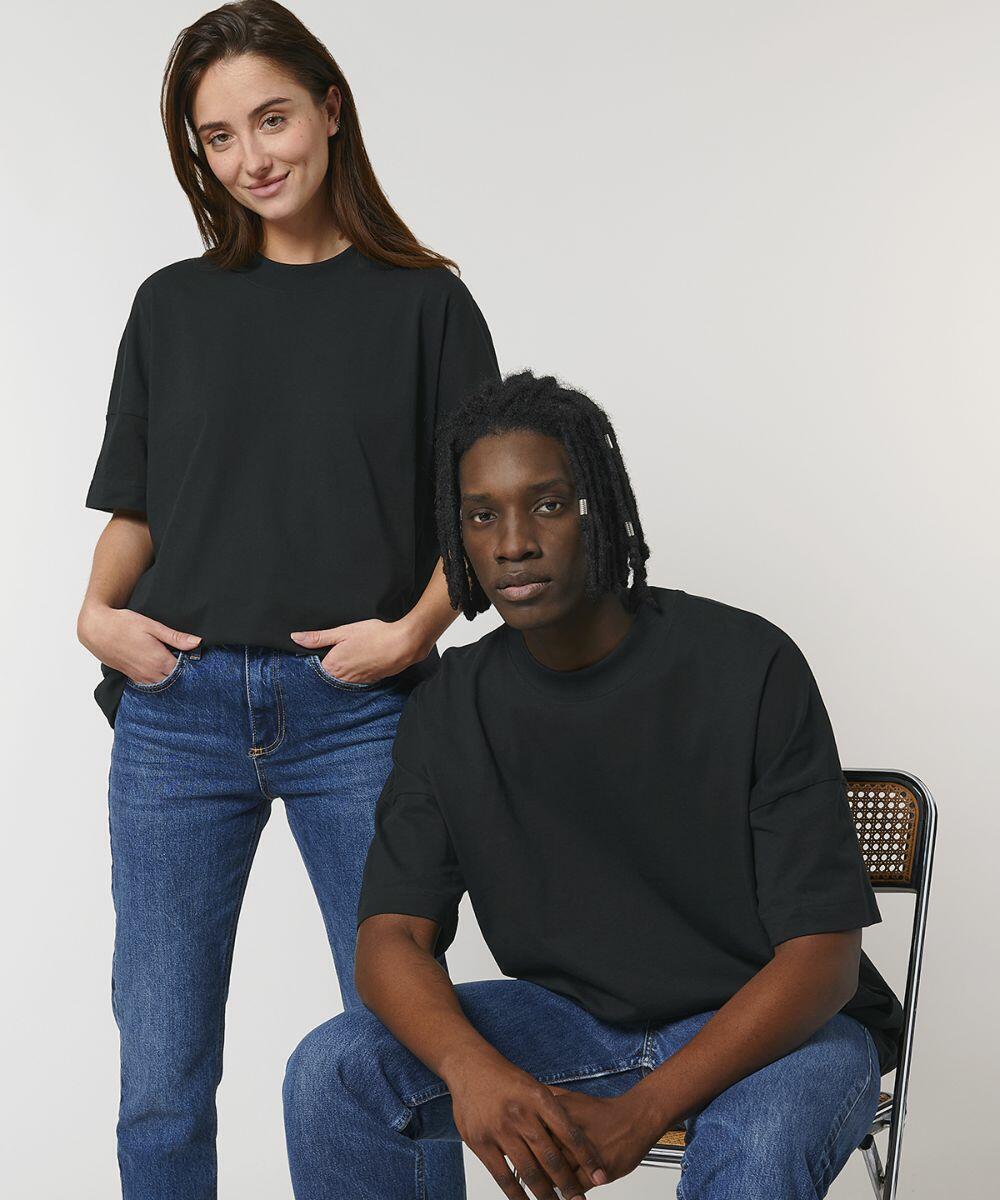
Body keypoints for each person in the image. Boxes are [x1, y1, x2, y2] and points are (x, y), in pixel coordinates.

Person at [280, 370, 905, 1200]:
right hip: (573, 1025)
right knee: (334, 1071)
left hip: (776, 1031)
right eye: (481, 515)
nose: (512, 544)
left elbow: (824, 961)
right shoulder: (450, 707)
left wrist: (645, 1110)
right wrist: (471, 1069)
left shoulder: (749, 665)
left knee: (756, 1144)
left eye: (547, 505)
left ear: (599, 510)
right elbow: (389, 937)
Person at [76, 2, 496, 1196]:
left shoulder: (426, 305)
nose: (251, 157)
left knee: (402, 1052)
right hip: (176, 715)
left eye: (271, 119)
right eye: (217, 137)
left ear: (329, 108)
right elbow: (138, 508)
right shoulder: (171, 304)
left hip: (357, 716)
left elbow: (483, 518)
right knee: (160, 1072)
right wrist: (95, 617)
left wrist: (409, 634)